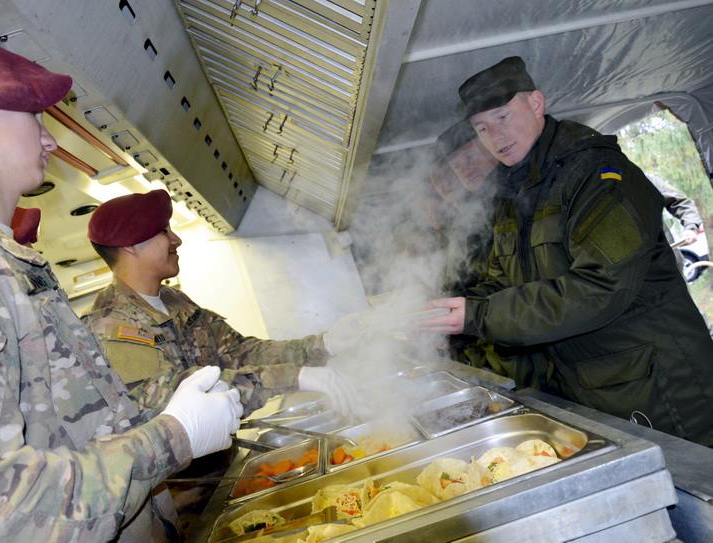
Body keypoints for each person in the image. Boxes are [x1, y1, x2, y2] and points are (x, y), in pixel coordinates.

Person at [0, 31, 242, 542]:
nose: (50, 138)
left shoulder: (2, 263)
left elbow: (81, 429)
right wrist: (172, 437)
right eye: (33, 115)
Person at [422, 56, 713, 446]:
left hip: (662, 384)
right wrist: (440, 311)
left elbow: (599, 287)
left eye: (503, 117)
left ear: (536, 104)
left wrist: (478, 315)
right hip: (595, 386)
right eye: (483, 128)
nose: (496, 136)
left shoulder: (598, 176)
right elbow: (499, 280)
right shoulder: (514, 198)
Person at [81, 190, 358, 419]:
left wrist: (323, 344)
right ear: (131, 245)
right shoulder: (111, 327)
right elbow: (175, 399)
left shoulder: (173, 301)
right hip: (188, 485)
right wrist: (292, 376)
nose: (176, 239)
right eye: (164, 231)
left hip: (222, 463)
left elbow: (240, 353)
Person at [432, 120, 551, 389]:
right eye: (455, 165)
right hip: (501, 345)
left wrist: (461, 322)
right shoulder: (477, 216)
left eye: (471, 156)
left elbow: (515, 286)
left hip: (530, 348)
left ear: (493, 149)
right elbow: (481, 284)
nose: (464, 169)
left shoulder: (522, 200)